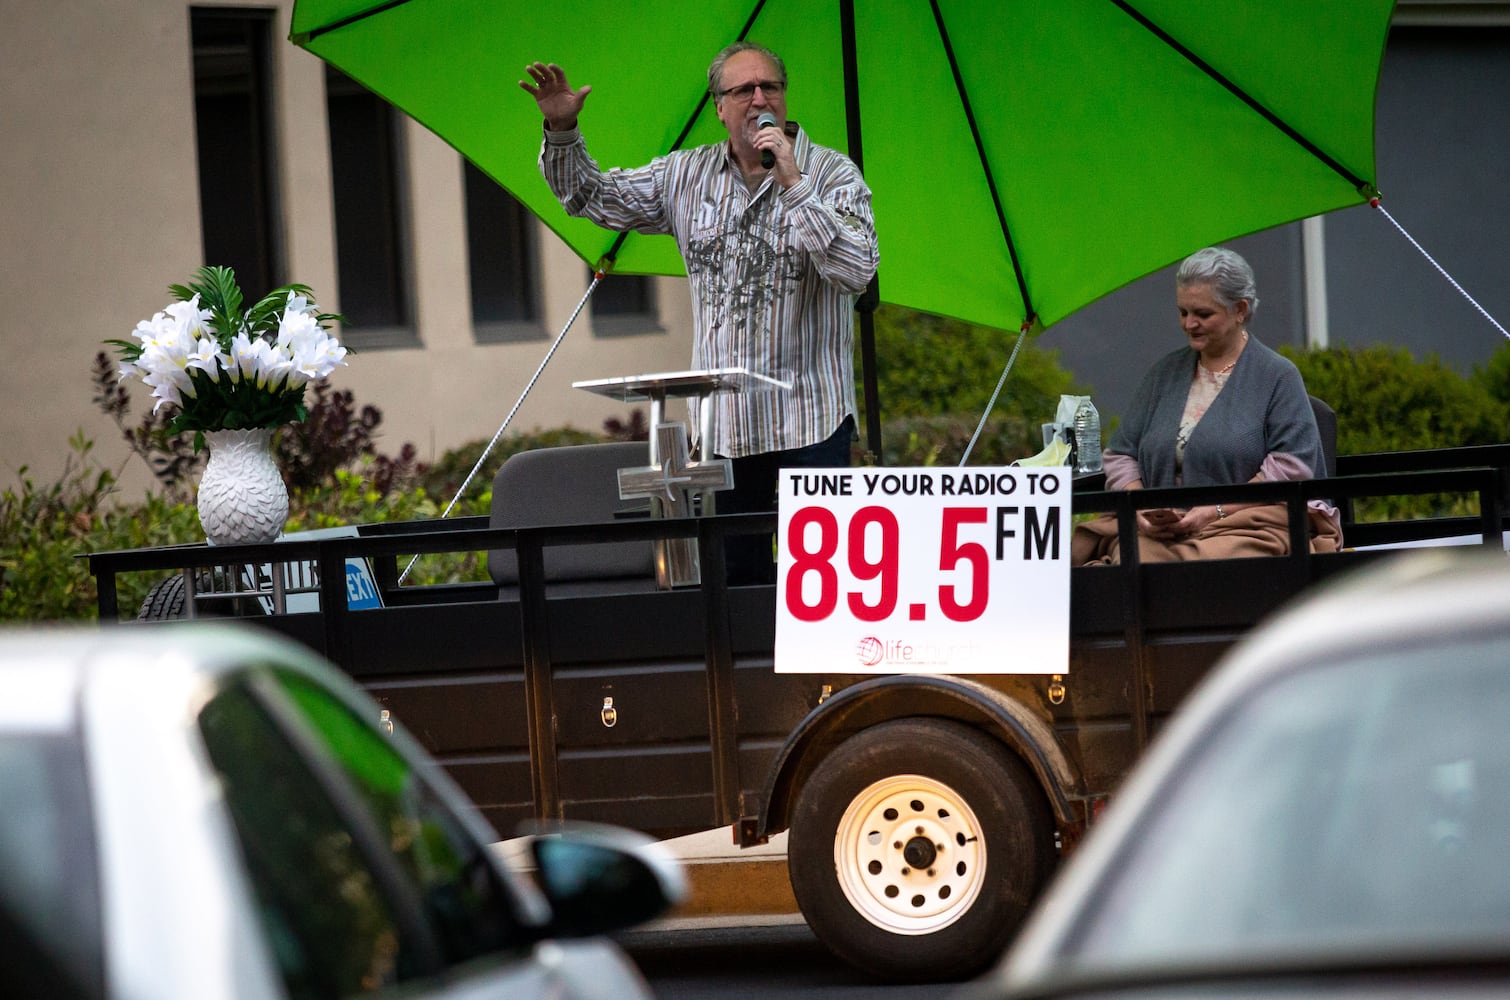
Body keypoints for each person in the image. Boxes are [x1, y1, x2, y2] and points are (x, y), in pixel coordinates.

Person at [520, 43, 879, 582]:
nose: (759, 98)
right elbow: (591, 198)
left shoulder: (832, 175)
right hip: (724, 430)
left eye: (770, 87)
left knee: (823, 593)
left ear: (784, 97)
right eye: (742, 90)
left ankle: (822, 673)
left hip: (811, 420)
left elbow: (857, 271)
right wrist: (564, 132)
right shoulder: (685, 176)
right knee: (734, 593)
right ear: (719, 105)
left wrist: (793, 184)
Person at [1072, 246, 1342, 564]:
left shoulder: (1277, 376)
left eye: (1203, 314)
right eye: (1183, 312)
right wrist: (1139, 507)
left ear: (1240, 309)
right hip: (1159, 533)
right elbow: (1120, 455)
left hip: (1244, 527)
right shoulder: (1164, 374)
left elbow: (1290, 466)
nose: (1189, 324)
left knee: (1194, 568)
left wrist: (1211, 511)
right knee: (1131, 560)